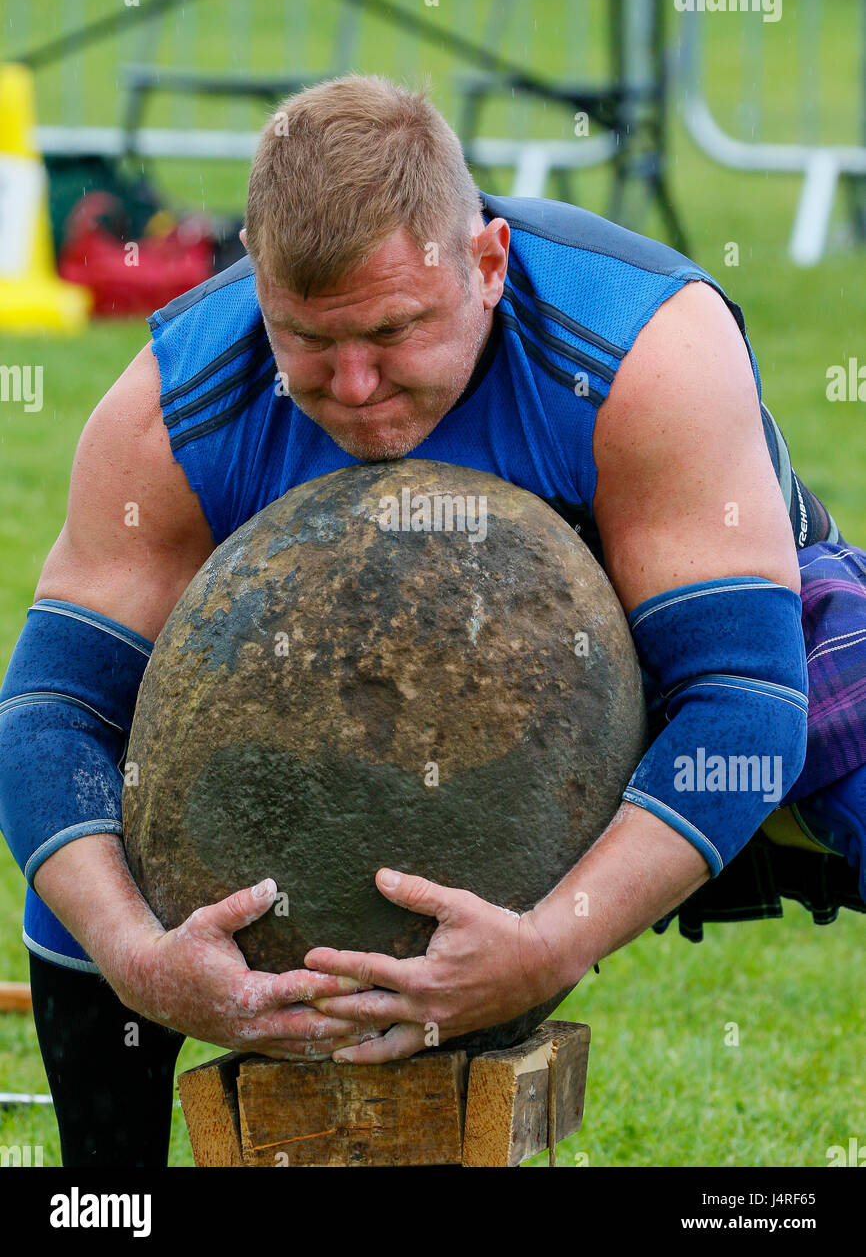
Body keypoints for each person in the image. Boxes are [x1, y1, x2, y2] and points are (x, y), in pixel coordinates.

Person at [1, 75, 864, 1167]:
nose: (355, 385)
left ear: (489, 263)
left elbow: (743, 701)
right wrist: (135, 954)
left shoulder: (640, 344)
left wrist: (548, 945)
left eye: (394, 331)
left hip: (670, 664)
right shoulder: (178, 401)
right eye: (306, 341)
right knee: (99, 844)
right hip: (357, 695)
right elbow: (49, 715)